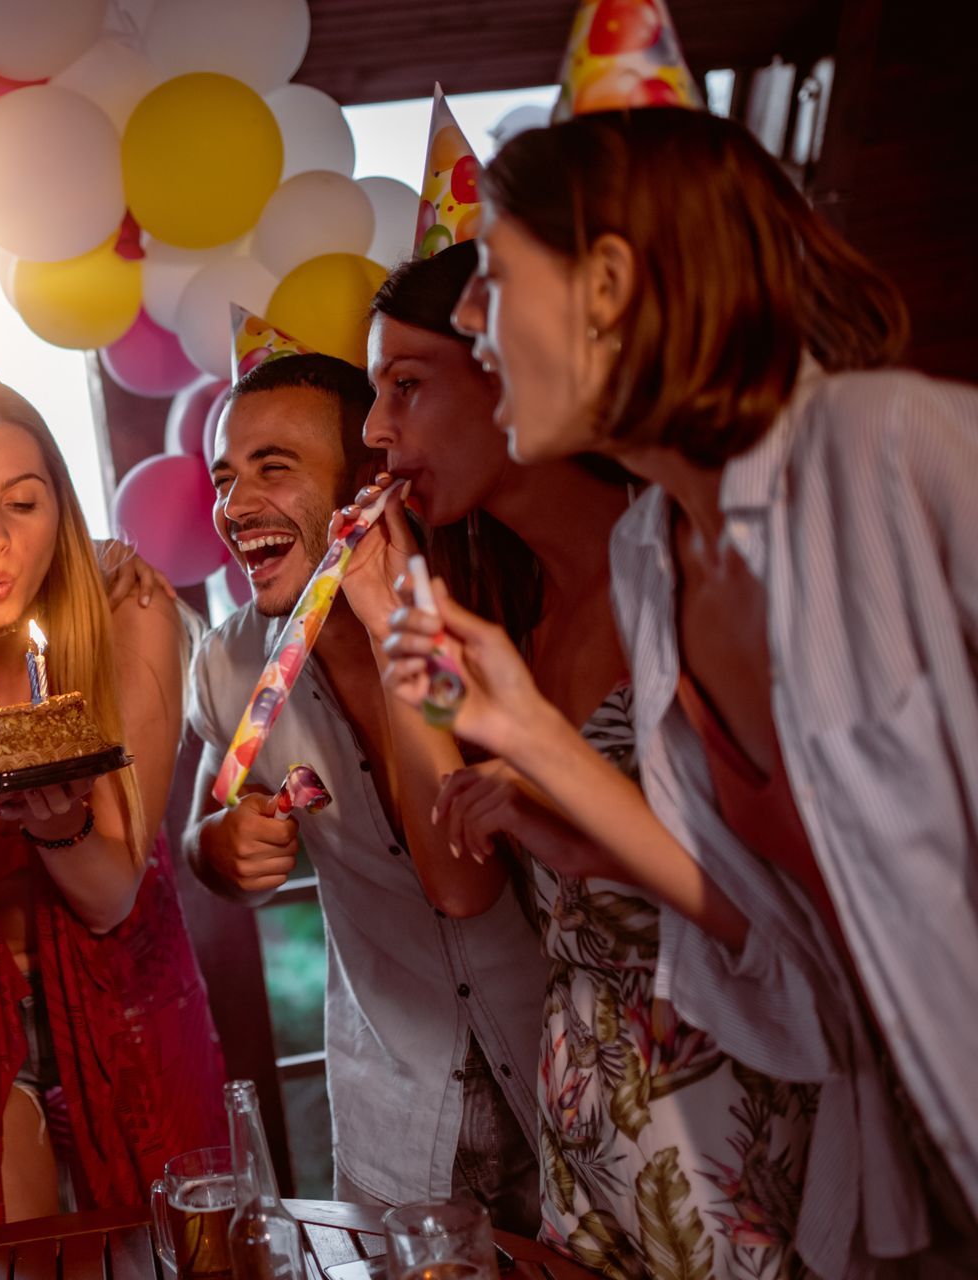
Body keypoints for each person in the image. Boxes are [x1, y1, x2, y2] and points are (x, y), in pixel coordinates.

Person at [382, 106, 977, 1275]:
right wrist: (534, 738)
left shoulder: (892, 447)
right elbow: (787, 949)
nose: (466, 319)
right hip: (903, 1164)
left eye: (493, 279)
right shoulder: (657, 555)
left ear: (606, 281)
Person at [356, 241, 815, 1276]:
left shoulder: (688, 573)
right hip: (594, 1167)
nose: (378, 432)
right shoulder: (528, 617)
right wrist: (389, 621)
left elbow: (788, 905)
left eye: (408, 386)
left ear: (506, 361)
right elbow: (455, 878)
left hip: (732, 1144)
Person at [181, 351, 545, 1232]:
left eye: (274, 467)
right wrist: (219, 850)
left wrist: (389, 628)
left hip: (560, 1080)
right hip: (392, 1117)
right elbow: (206, 825)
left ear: (370, 483)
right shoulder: (232, 665)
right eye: (226, 478)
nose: (234, 507)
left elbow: (468, 883)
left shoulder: (481, 613)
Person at [0, 381, 224, 1236]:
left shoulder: (128, 614)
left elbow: (110, 897)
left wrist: (53, 818)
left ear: (59, 508)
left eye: (23, 503)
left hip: (128, 997)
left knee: (177, 1251)